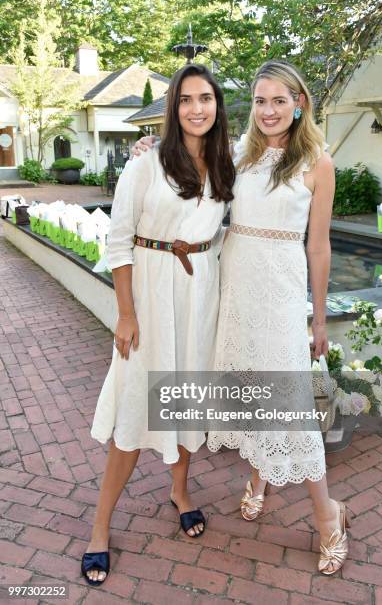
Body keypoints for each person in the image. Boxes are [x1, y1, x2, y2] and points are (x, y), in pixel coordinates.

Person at [133, 59, 350, 576]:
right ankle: (258, 478)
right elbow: (181, 159)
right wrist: (146, 148)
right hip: (234, 288)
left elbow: (318, 249)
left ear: (300, 104)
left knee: (289, 403)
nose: (269, 110)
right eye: (260, 100)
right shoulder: (237, 154)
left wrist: (318, 320)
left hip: (279, 292)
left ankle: (329, 515)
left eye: (280, 100)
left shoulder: (318, 162)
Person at [81, 63, 235, 586]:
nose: (197, 108)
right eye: (187, 99)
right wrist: (125, 313)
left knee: (188, 398)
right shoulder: (145, 164)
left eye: (206, 99)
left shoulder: (223, 161)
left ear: (217, 105)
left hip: (199, 296)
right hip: (150, 295)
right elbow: (118, 241)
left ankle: (180, 491)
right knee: (136, 407)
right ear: (173, 107)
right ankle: (100, 527)